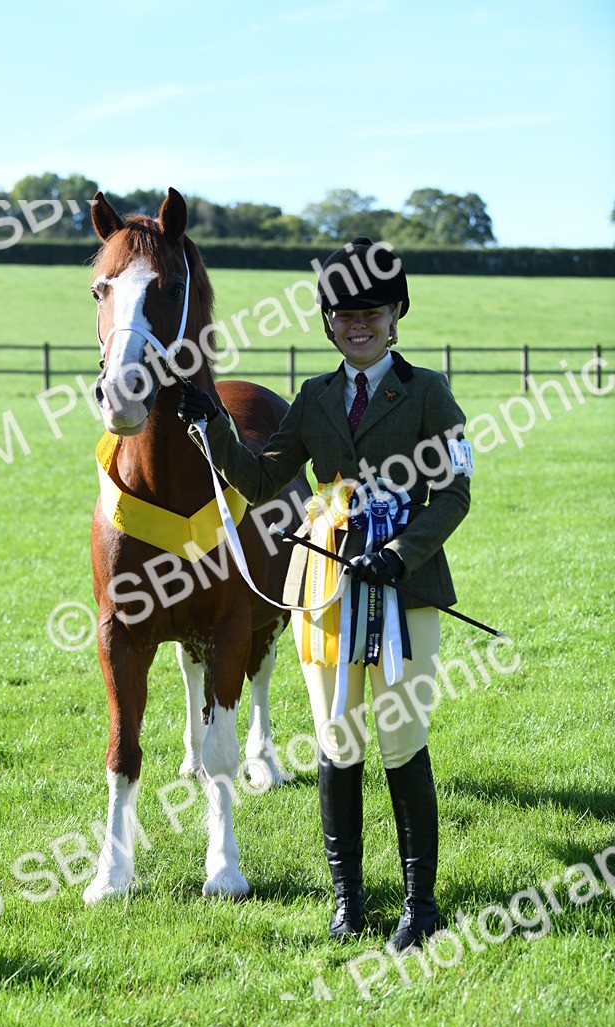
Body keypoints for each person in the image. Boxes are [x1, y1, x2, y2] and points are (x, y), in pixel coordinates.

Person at [176, 238, 472, 951]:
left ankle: (419, 905)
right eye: (342, 313)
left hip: (406, 592)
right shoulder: (312, 399)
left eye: (371, 311)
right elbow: (259, 477)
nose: (356, 323)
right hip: (329, 589)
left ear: (397, 314)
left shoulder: (428, 392)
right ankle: (348, 902)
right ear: (328, 322)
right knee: (337, 739)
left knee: (402, 740)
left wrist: (400, 554)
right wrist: (210, 421)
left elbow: (455, 490)